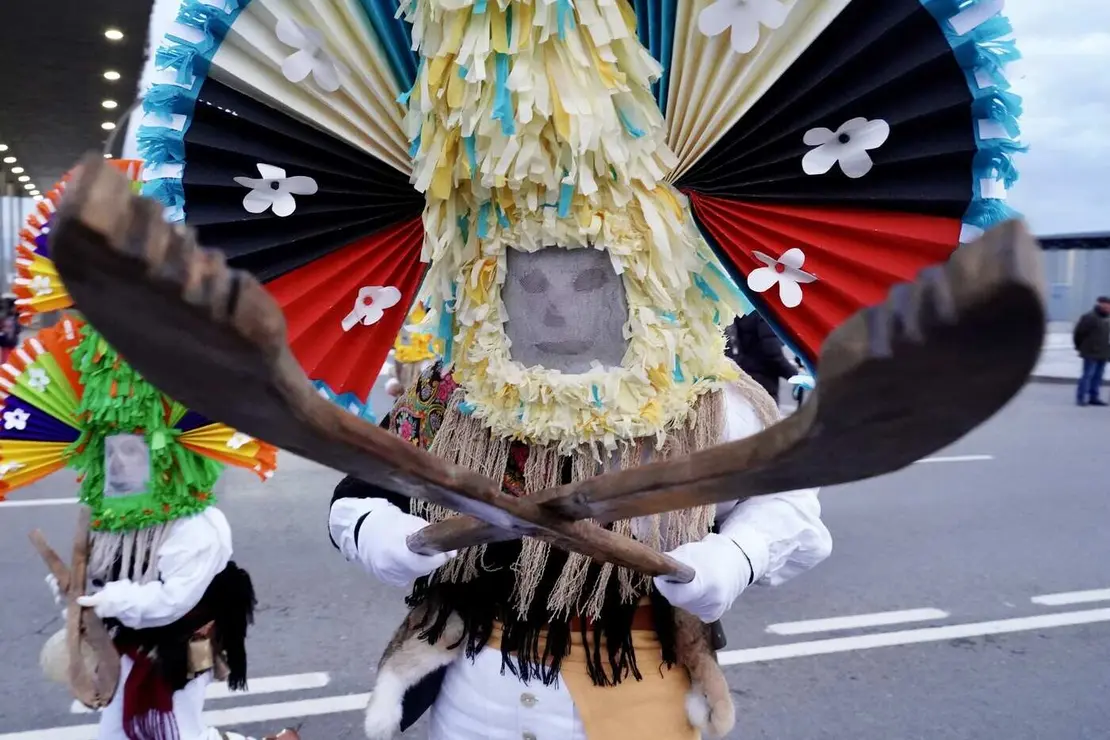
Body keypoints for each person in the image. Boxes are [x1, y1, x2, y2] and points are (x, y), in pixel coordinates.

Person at [727, 312, 802, 404]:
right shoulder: (764, 313)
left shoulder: (744, 311)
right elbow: (772, 353)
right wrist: (795, 375)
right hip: (764, 382)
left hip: (744, 377)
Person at [1072, 296, 1110, 407]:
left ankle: (1094, 397)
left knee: (1098, 376)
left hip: (1103, 353)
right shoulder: (1089, 317)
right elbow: (1078, 334)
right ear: (1100, 305)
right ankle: (1081, 397)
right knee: (1087, 375)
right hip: (1090, 352)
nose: (1108, 308)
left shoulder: (1107, 319)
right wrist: (1080, 347)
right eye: (1106, 305)